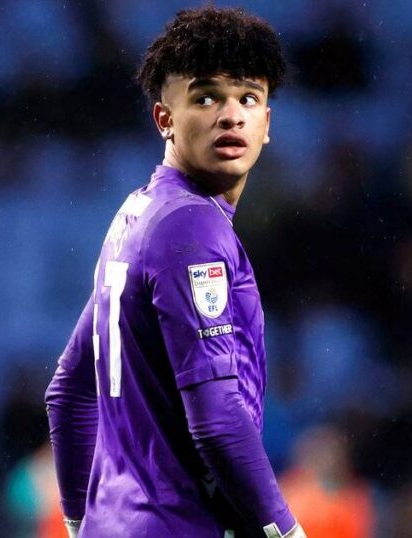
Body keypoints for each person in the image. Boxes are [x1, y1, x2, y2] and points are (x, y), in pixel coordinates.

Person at [44, 7, 304, 538]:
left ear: (267, 124)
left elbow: (69, 392)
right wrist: (284, 530)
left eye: (248, 98)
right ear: (164, 118)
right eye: (206, 97)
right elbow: (217, 419)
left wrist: (80, 521)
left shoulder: (137, 215)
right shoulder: (191, 227)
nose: (231, 116)